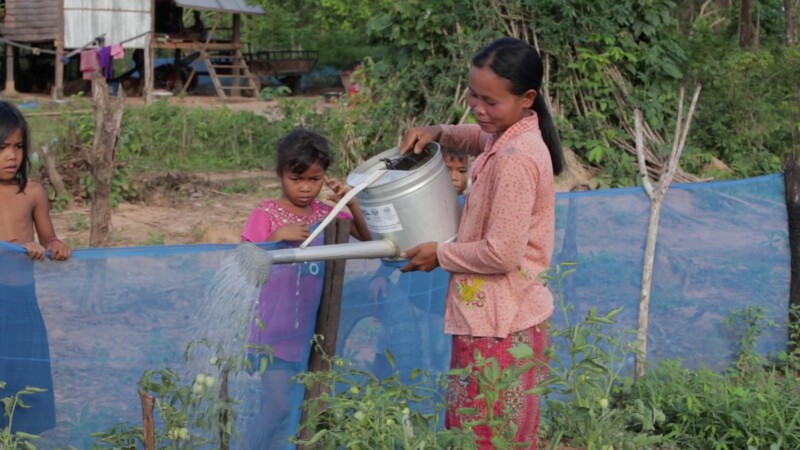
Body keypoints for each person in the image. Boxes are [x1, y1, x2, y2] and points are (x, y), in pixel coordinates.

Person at [397, 37, 565, 449]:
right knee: (497, 430)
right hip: (499, 316)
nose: (478, 108)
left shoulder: (516, 159)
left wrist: (440, 253)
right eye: (473, 95)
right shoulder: (509, 135)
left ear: (527, 98)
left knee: (484, 434)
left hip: (500, 326)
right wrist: (439, 131)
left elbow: (501, 253)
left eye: (490, 101)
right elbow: (478, 135)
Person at [241, 128, 370, 447]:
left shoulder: (327, 216)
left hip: (313, 329)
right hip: (274, 329)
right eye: (296, 179)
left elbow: (367, 240)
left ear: (325, 177)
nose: (305, 188)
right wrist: (275, 238)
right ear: (280, 175)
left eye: (314, 179)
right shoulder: (267, 214)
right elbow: (245, 262)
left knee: (308, 403)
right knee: (278, 404)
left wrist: (351, 204)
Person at [0, 101, 71, 435]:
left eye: (17, 147)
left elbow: (49, 239)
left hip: (23, 302)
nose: (11, 156)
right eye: (1, 148)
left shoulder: (33, 193)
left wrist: (54, 247)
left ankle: (19, 438)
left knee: (23, 377)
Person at [369, 146, 469, 377]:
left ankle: (432, 400)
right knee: (394, 344)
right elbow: (400, 244)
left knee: (438, 353)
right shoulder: (417, 203)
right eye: (448, 169)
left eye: (461, 170)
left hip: (445, 298)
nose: (454, 177)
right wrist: (381, 275)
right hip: (412, 294)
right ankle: (380, 391)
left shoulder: (469, 205)